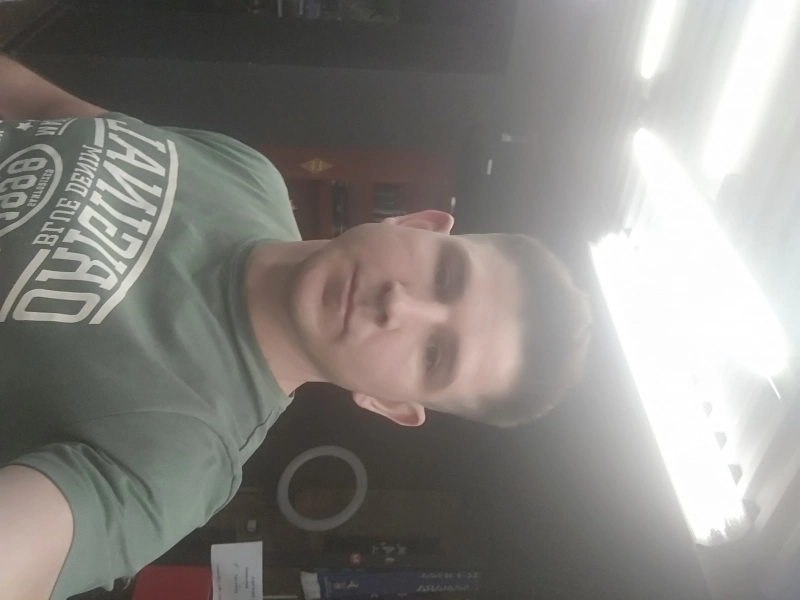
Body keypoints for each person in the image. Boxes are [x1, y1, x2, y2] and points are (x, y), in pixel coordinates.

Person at [0, 56, 592, 600]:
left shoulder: (175, 461)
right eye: (444, 275)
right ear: (417, 224)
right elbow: (44, 108)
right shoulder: (248, 175)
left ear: (389, 403)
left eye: (434, 355)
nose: (398, 306)